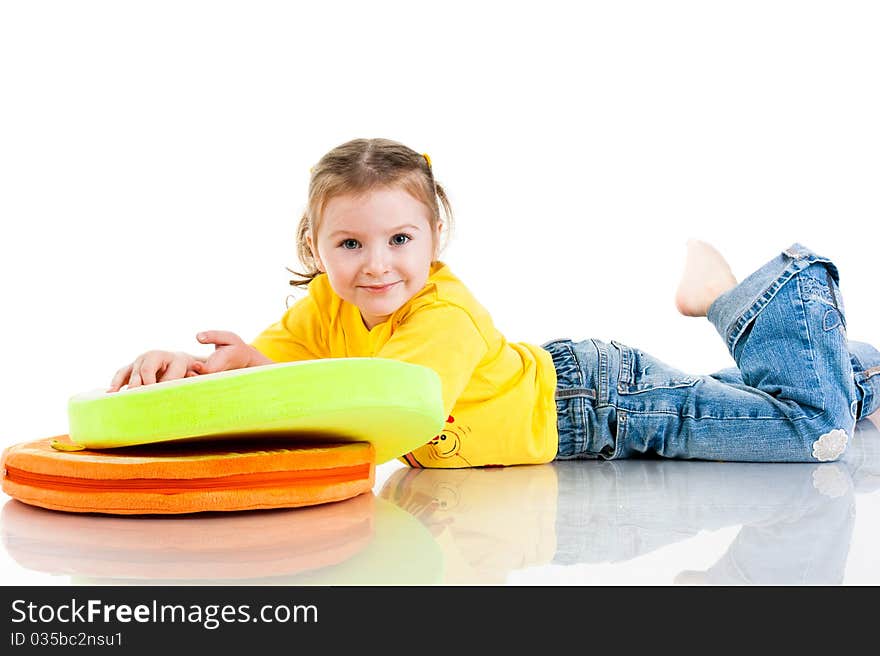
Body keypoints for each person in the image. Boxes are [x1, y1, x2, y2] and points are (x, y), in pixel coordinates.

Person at [107, 137, 880, 467]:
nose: (377, 267)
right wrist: (222, 371)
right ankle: (867, 375)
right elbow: (286, 368)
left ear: (435, 237)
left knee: (810, 434)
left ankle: (767, 291)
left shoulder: (442, 317)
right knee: (796, 402)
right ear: (315, 246)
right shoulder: (323, 310)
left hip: (605, 405)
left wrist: (260, 389)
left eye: (400, 241)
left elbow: (389, 414)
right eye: (350, 245)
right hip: (577, 398)